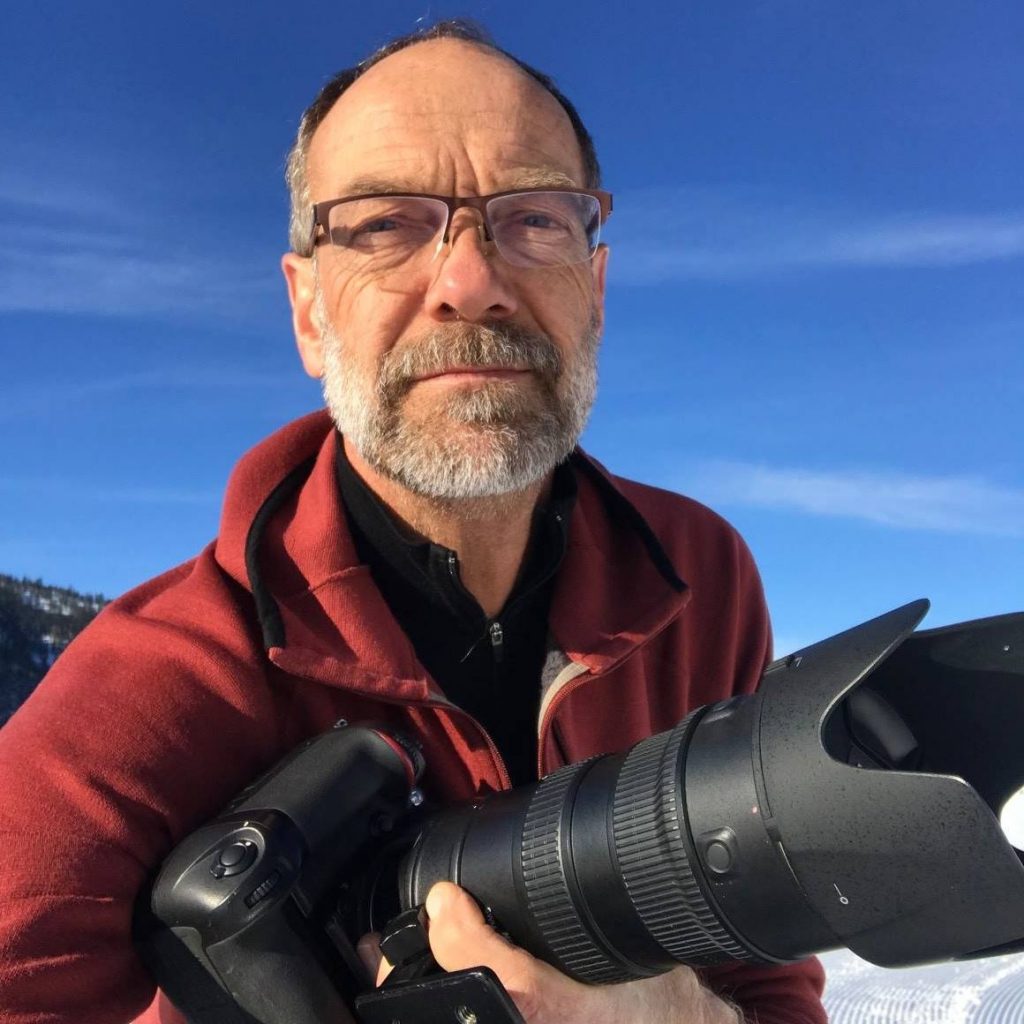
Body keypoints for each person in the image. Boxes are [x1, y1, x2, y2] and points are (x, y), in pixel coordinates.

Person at [0, 20, 827, 1024]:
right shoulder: (147, 698)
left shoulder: (697, 581)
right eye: (386, 223)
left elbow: (770, 979)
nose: (470, 283)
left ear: (594, 290)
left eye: (533, 218)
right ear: (309, 311)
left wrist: (657, 1014)